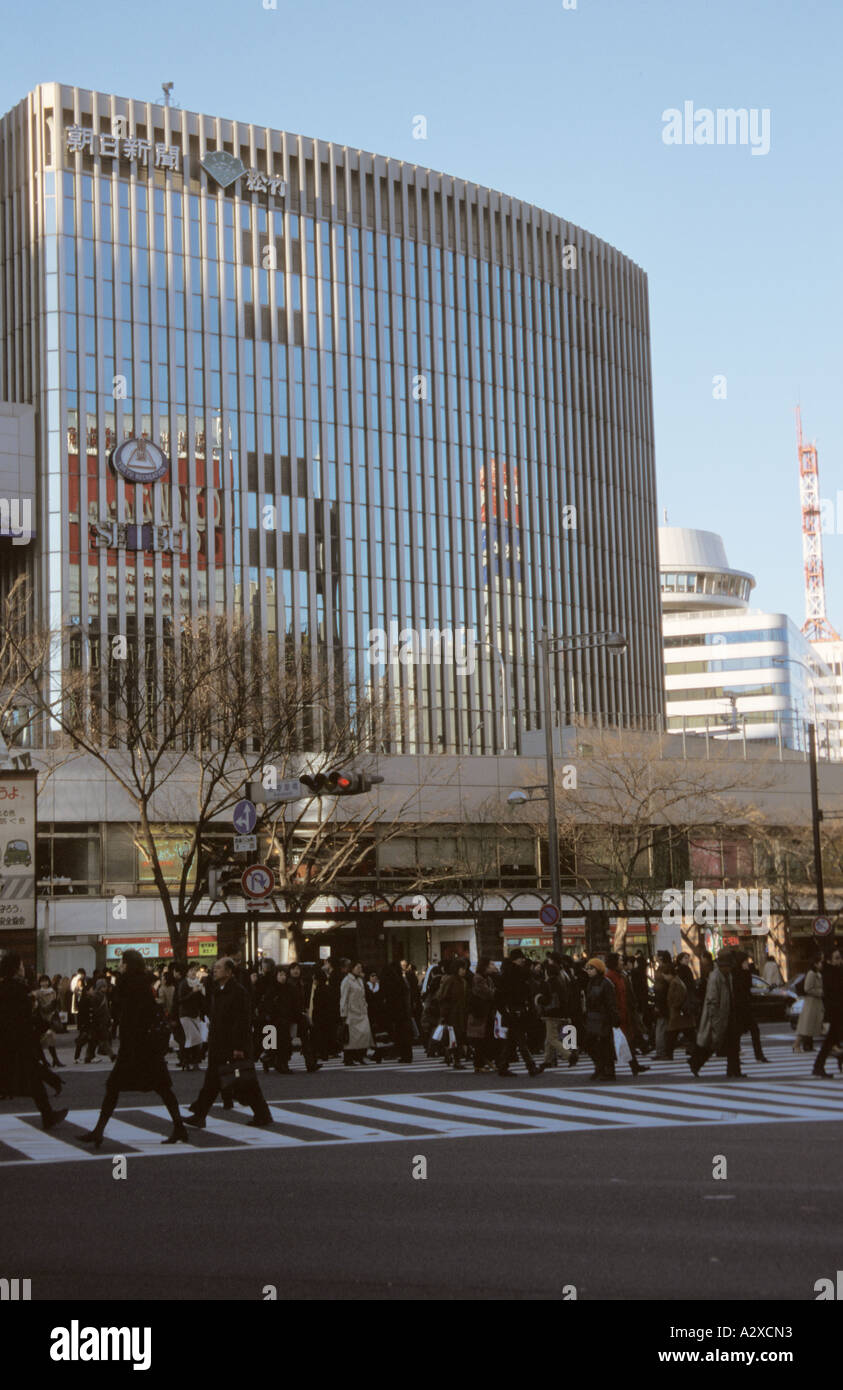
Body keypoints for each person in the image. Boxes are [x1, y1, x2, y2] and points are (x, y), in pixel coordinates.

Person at [79, 949, 188, 1147]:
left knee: (114, 1087)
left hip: (135, 1046)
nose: (119, 966)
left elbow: (131, 1013)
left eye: (122, 962)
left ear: (128, 964)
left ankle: (99, 1131)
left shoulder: (130, 984)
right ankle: (179, 1127)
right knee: (162, 1087)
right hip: (144, 1047)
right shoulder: (140, 983)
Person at [185, 956, 272, 1128]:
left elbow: (242, 1020)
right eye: (215, 967)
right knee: (212, 1080)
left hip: (232, 1044)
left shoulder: (238, 992)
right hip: (219, 1042)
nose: (214, 970)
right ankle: (200, 1115)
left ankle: (262, 1114)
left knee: (246, 1081)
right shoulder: (219, 989)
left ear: (229, 972)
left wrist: (238, 1047)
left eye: (218, 968)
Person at [0, 951, 67, 1129]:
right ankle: (48, 1113)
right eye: (21, 965)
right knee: (30, 1076)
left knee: (30, 1077)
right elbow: (27, 1019)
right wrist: (45, 1027)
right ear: (15, 969)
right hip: (21, 1041)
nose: (23, 968)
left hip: (6, 1042)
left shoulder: (3, 988)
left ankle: (48, 1113)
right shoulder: (21, 990)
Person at [689, 949, 743, 1079]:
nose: (729, 969)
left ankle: (734, 1070)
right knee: (711, 1043)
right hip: (717, 1015)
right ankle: (695, 1063)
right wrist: (715, 1018)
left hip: (727, 1013)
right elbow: (712, 1000)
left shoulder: (727, 975)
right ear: (722, 966)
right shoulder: (715, 977)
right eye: (727, 966)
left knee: (732, 1043)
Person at [496, 950, 541, 1077]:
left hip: (511, 1010)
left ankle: (503, 1065)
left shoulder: (506, 973)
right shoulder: (517, 973)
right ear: (516, 959)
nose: (523, 961)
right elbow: (527, 982)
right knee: (520, 1039)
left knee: (511, 1040)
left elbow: (499, 995)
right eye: (521, 958)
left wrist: (503, 1011)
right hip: (517, 1009)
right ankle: (530, 1066)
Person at [605, 952, 649, 1077]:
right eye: (619, 960)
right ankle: (606, 1069)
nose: (622, 962)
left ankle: (634, 1065)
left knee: (627, 1041)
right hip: (617, 1015)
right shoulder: (610, 977)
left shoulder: (620, 976)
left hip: (624, 1013)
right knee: (615, 1042)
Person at [583, 957, 620, 1082]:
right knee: (589, 1043)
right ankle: (600, 1067)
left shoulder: (606, 983)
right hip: (592, 1017)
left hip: (604, 1018)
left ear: (598, 969)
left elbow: (611, 1003)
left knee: (605, 1045)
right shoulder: (591, 982)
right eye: (587, 968)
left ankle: (608, 1071)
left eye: (591, 968)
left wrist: (614, 1017)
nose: (588, 970)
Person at [536, 957, 576, 1070]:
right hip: (561, 1013)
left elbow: (545, 999)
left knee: (552, 1038)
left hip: (551, 1014)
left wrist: (538, 999)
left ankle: (569, 1055)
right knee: (549, 1038)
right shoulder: (561, 981)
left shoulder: (547, 983)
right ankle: (547, 1060)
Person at [811, 948, 843, 1077]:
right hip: (836, 1012)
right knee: (830, 1041)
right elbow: (835, 993)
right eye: (836, 958)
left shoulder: (834, 971)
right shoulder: (830, 973)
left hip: (837, 1011)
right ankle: (818, 1066)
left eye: (839, 957)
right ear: (829, 960)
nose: (839, 960)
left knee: (832, 1041)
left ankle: (819, 1066)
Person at [734, 952, 769, 1063]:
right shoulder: (736, 974)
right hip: (739, 1008)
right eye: (745, 962)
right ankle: (736, 1057)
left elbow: (748, 988)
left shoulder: (746, 973)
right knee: (737, 1034)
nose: (747, 964)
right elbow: (741, 990)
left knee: (754, 1031)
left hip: (746, 1008)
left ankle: (759, 1055)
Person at [287, 962, 321, 1072]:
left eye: (297, 969)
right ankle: (276, 1060)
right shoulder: (289, 983)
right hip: (291, 1016)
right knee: (287, 1040)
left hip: (300, 1015)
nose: (296, 971)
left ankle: (310, 1063)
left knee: (306, 1039)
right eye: (293, 969)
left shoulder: (301, 983)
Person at [466, 958, 498, 1073]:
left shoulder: (487, 978)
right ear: (485, 966)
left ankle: (484, 1061)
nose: (493, 966)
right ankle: (478, 1064)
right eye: (491, 964)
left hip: (487, 1012)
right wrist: (494, 992)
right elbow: (488, 993)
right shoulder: (478, 979)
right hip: (479, 1013)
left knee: (486, 1038)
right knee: (480, 1039)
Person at [437, 958, 469, 1069]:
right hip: (452, 1013)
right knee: (455, 1036)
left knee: (458, 1036)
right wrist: (445, 1013)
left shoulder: (463, 981)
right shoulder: (450, 980)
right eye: (462, 968)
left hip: (461, 1013)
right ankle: (456, 1059)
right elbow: (442, 997)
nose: (464, 971)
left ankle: (452, 1056)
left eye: (465, 969)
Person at [662, 958, 697, 1060]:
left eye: (665, 975)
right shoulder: (677, 981)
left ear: (669, 974)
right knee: (689, 1034)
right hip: (681, 1015)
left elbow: (678, 998)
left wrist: (673, 1005)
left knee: (672, 1035)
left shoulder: (675, 983)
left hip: (678, 1014)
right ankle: (696, 1051)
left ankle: (668, 1054)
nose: (664, 977)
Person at [340, 962, 374, 1065]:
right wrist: (343, 1013)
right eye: (357, 967)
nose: (360, 969)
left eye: (360, 967)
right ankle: (348, 1058)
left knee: (364, 1034)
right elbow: (344, 997)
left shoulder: (360, 980)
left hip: (361, 1011)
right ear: (352, 968)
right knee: (351, 1038)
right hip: (351, 1012)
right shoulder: (347, 981)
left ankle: (360, 1055)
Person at [382, 962, 415, 1063]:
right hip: (405, 1011)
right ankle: (407, 1055)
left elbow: (390, 997)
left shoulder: (392, 981)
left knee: (400, 1034)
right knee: (405, 1035)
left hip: (398, 1012)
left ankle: (403, 1055)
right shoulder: (402, 980)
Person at [794, 953, 825, 1054]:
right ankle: (796, 1045)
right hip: (811, 1003)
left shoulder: (817, 973)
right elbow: (807, 988)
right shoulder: (811, 973)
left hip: (815, 1003)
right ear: (815, 964)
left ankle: (806, 1046)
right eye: (820, 962)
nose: (822, 964)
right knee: (805, 1026)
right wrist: (820, 992)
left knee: (809, 1026)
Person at [32, 975, 63, 1069]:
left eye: (46, 981)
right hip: (42, 1019)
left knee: (50, 1038)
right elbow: (39, 1007)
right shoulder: (38, 993)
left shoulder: (53, 992)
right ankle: (50, 1060)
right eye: (42, 981)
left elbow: (57, 1004)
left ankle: (53, 1060)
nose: (44, 983)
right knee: (45, 1039)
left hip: (52, 1018)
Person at [81, 978, 115, 1063]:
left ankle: (88, 1056)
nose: (105, 988)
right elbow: (99, 1010)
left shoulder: (101, 995)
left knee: (94, 1040)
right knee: (102, 1040)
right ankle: (112, 1055)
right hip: (99, 1022)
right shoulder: (98, 996)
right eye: (103, 986)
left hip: (100, 1021)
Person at [652, 951, 672, 1060]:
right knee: (664, 1027)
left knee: (661, 1027)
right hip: (666, 1002)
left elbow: (658, 989)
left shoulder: (661, 970)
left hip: (662, 1002)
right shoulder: (667, 969)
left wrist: (657, 1004)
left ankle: (661, 1051)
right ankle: (664, 1051)